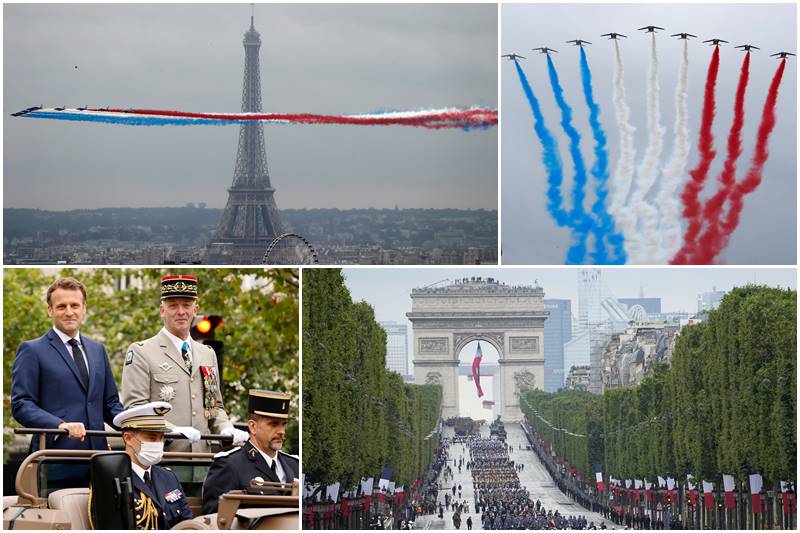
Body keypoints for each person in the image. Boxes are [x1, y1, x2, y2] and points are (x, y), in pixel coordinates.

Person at [11, 277, 124, 490]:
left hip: (100, 461)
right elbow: (21, 404)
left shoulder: (98, 350)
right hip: (55, 461)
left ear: (84, 309)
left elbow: (110, 404)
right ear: (50, 311)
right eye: (61, 306)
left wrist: (137, 425)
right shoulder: (32, 350)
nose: (69, 311)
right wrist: (59, 425)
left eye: (75, 305)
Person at [120, 275, 248, 452]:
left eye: (186, 305)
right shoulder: (142, 351)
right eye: (173, 306)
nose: (181, 311)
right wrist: (171, 430)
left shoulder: (207, 354)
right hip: (163, 458)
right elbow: (136, 409)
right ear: (162, 311)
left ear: (195, 310)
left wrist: (225, 427)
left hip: (202, 460)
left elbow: (213, 406)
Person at [91, 401, 192, 529]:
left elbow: (187, 523)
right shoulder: (111, 481)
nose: (158, 443)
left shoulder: (169, 477)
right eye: (151, 437)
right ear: (128, 438)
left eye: (161, 438)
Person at [201, 390, 299, 514]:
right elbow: (215, 519)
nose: (281, 431)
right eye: (273, 424)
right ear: (253, 427)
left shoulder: (295, 465)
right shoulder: (229, 465)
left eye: (283, 424)